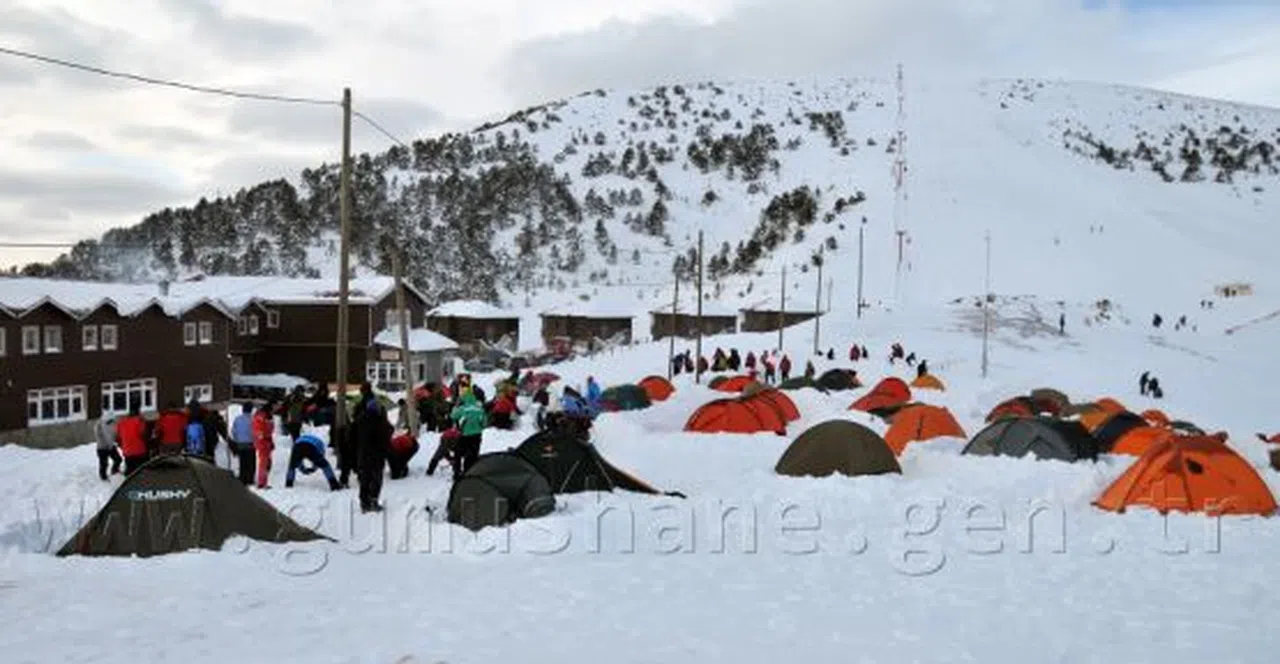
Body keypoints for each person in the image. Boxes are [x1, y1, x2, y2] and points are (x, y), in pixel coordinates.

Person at [353, 383, 391, 512]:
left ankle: (364, 502)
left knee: (365, 478)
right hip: (377, 454)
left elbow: (353, 435)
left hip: (363, 453)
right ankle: (373, 500)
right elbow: (387, 434)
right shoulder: (381, 421)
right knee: (376, 478)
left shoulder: (360, 418)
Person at [451, 390, 487, 477]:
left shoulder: (462, 409)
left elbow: (453, 416)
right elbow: (484, 423)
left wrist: (455, 407)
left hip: (464, 435)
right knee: (472, 455)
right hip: (477, 436)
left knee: (458, 453)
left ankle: (457, 472)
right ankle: (469, 472)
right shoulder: (480, 409)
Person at [116, 403, 150, 475]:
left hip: (127, 451)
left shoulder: (121, 422)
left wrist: (123, 447)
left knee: (130, 472)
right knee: (140, 472)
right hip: (139, 451)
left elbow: (118, 438)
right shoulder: (140, 421)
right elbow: (143, 435)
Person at [230, 403, 256, 485]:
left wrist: (236, 440)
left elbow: (233, 431)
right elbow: (255, 432)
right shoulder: (253, 419)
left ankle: (242, 478)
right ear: (251, 410)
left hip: (240, 444)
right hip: (250, 444)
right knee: (251, 462)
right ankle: (250, 479)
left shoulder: (237, 419)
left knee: (242, 462)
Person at [253, 403, 275, 489]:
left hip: (266, 442)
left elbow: (269, 430)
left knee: (266, 463)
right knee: (263, 463)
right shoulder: (261, 418)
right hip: (263, 443)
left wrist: (270, 441)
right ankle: (261, 482)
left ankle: (263, 481)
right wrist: (265, 438)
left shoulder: (266, 417)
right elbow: (259, 432)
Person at [94, 415, 122, 480]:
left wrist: (117, 440)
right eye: (110, 421)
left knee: (118, 459)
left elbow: (115, 434)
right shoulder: (99, 425)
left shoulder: (113, 424)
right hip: (102, 447)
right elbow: (99, 435)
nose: (112, 422)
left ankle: (114, 470)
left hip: (110, 446)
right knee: (104, 463)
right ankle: (103, 477)